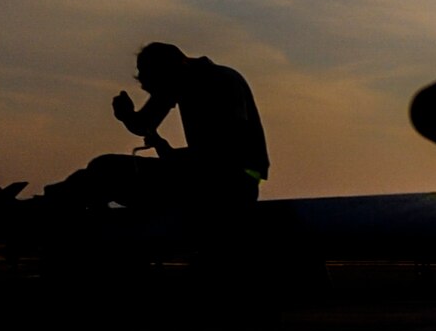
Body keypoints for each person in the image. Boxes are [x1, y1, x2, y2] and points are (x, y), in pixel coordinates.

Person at [41, 42, 267, 211]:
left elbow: (227, 150)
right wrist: (127, 116)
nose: (158, 95)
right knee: (103, 167)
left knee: (106, 168)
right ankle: (60, 200)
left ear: (173, 70)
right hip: (202, 175)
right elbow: (145, 124)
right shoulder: (178, 82)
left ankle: (53, 201)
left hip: (231, 182)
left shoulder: (221, 81)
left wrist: (171, 155)